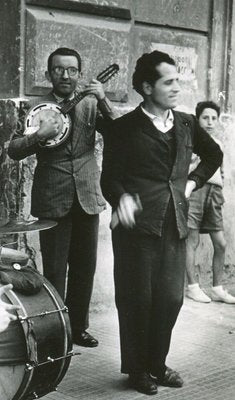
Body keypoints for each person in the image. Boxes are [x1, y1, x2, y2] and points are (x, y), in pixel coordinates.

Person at [101, 50, 223, 395]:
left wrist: (193, 181)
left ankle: (157, 362)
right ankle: (137, 369)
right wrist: (121, 198)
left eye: (177, 81)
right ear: (146, 87)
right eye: (168, 82)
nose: (176, 88)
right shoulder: (123, 128)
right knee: (136, 299)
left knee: (171, 299)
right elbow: (109, 178)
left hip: (174, 223)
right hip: (137, 227)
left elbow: (214, 155)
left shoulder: (185, 123)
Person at [8, 47, 118, 347]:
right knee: (55, 269)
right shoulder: (35, 107)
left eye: (71, 70)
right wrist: (37, 136)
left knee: (85, 267)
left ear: (80, 74)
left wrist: (104, 98)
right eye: (58, 69)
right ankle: (56, 331)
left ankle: (78, 327)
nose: (65, 75)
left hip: (87, 194)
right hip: (52, 196)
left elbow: (121, 133)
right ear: (48, 74)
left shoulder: (90, 105)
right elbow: (14, 149)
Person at [186, 101, 235, 304]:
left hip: (214, 193)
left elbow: (221, 172)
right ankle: (193, 287)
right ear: (198, 120)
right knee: (192, 240)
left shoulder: (217, 144)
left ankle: (217, 287)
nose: (210, 122)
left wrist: (220, 189)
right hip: (195, 191)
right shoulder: (191, 142)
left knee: (221, 243)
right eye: (205, 118)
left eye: (214, 118)